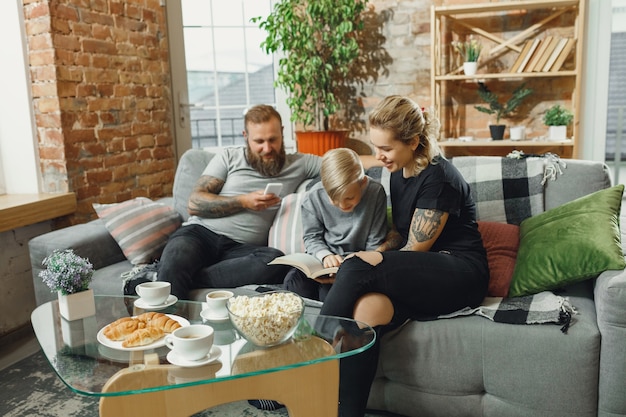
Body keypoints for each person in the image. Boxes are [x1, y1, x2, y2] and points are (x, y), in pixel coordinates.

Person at [320, 95, 489, 417]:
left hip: (461, 273)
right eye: (375, 147)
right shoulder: (399, 171)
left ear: (413, 141)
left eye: (385, 148)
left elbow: (415, 249)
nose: (378, 156)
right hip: (424, 277)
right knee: (366, 310)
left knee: (357, 268)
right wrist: (375, 254)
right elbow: (400, 234)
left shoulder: (439, 177)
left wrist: (365, 266)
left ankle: (305, 355)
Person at [151, 104, 321, 300]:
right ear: (245, 136)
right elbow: (194, 202)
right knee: (178, 253)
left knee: (275, 260)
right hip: (200, 234)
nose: (267, 148)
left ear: (282, 133)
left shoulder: (299, 164)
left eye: (273, 140)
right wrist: (243, 201)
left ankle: (183, 276)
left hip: (241, 249)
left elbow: (343, 163)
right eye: (259, 141)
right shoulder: (229, 157)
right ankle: (171, 321)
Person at [283, 148, 388, 301]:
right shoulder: (314, 196)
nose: (342, 205)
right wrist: (326, 256)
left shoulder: (375, 192)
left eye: (349, 198)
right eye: (334, 199)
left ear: (363, 183)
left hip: (356, 263)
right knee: (294, 284)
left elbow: (374, 242)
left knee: (331, 295)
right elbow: (312, 237)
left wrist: (353, 263)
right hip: (322, 260)